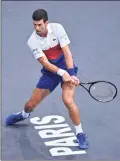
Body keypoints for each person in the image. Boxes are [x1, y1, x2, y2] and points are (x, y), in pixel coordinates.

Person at [5, 9, 88, 150]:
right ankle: (23, 115)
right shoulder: (32, 41)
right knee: (30, 104)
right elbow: (45, 63)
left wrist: (71, 73)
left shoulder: (57, 28)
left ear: (46, 23)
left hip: (67, 68)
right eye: (34, 25)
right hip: (50, 72)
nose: (37, 28)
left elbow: (67, 52)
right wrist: (61, 73)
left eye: (39, 25)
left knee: (68, 100)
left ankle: (80, 134)